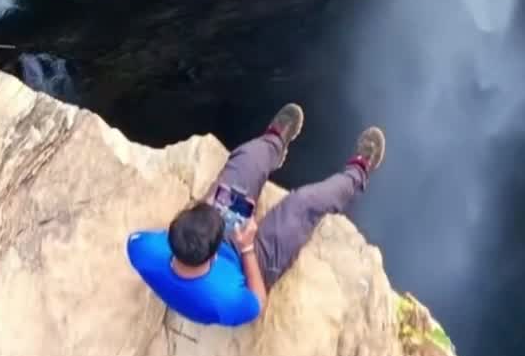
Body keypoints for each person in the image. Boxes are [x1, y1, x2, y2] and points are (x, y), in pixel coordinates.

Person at [125, 103, 385, 327]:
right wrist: (247, 248)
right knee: (302, 204)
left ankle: (274, 143)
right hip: (250, 262)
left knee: (246, 160)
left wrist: (210, 208)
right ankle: (358, 173)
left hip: (203, 242)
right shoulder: (225, 300)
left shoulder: (142, 250)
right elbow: (258, 301)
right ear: (213, 255)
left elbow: (146, 239)